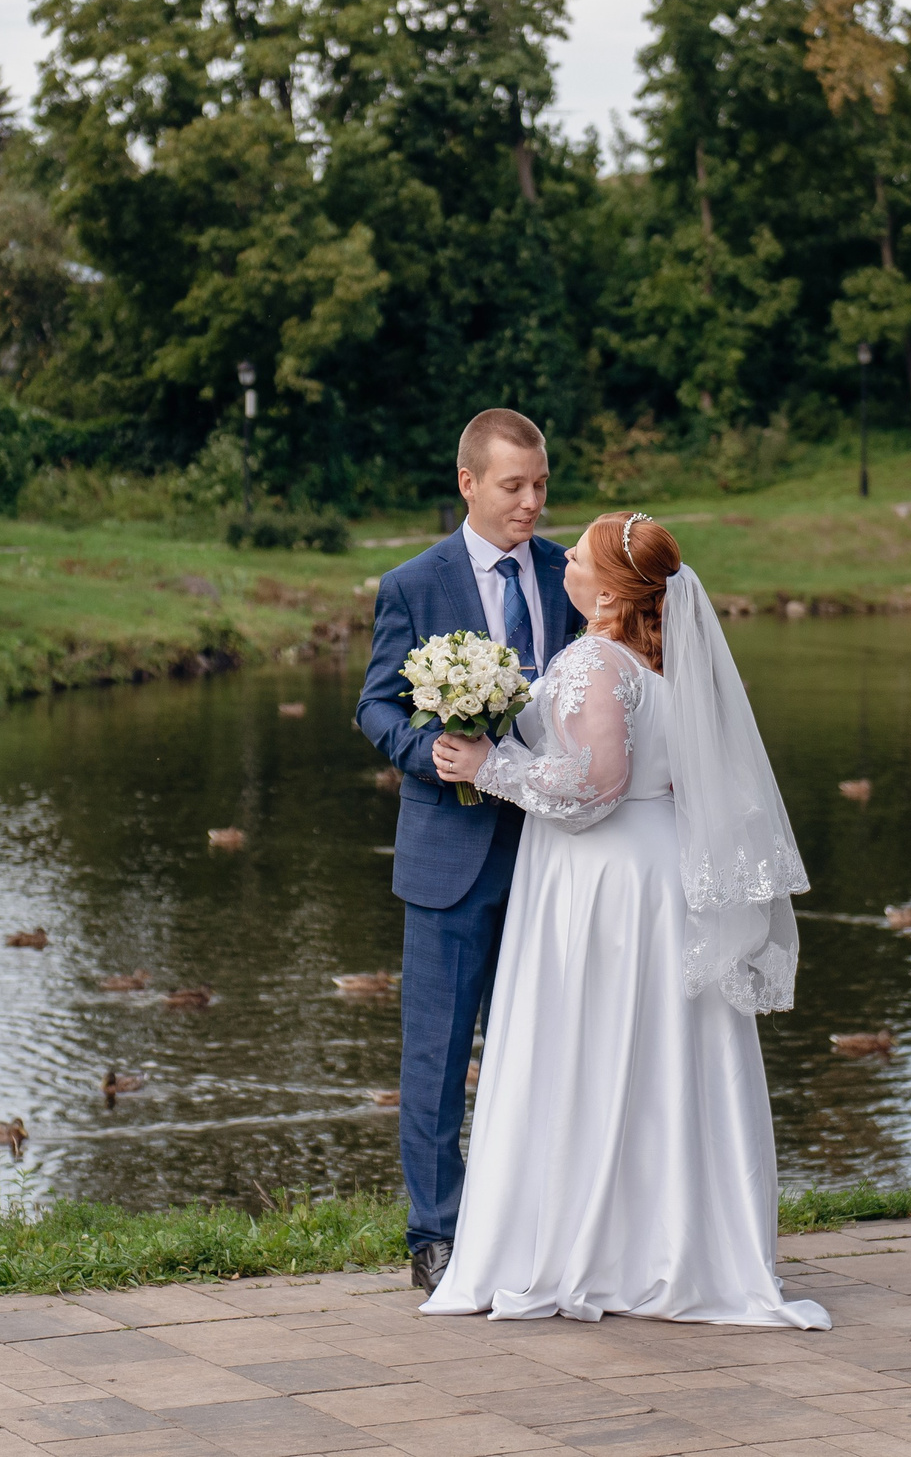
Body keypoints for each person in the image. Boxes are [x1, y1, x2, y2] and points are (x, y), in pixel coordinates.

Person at [418, 510, 830, 1328]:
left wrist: (490, 764)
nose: (563, 560)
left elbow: (596, 785)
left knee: (594, 1045)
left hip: (602, 881)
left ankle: (598, 1249)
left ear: (608, 591)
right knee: (658, 1053)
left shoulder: (595, 661)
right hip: (658, 872)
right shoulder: (667, 663)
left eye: (577, 555)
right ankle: (663, 1239)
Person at [356, 409, 583, 1294]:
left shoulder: (570, 575)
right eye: (513, 485)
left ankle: (535, 1227)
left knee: (546, 1052)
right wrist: (432, 752)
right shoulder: (413, 584)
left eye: (540, 484)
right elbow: (375, 704)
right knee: (437, 1059)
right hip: (449, 859)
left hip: (557, 856)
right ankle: (437, 1238)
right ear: (469, 483)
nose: (531, 502)